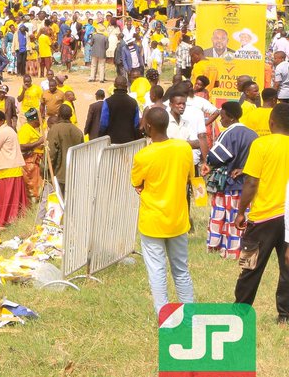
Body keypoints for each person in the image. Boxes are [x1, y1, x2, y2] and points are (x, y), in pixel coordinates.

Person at [131, 106, 196, 316]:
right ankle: (189, 314)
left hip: (153, 222)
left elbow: (137, 183)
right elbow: (189, 175)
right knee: (181, 270)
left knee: (157, 271)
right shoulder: (183, 148)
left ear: (148, 126)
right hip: (178, 220)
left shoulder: (143, 156)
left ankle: (164, 316)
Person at [232, 103, 289, 321]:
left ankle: (241, 311)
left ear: (271, 123)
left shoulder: (261, 144)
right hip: (287, 217)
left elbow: (251, 182)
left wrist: (240, 211)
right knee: (287, 268)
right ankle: (285, 315)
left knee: (250, 266)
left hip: (263, 217)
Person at [204, 101, 257, 259]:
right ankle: (238, 249)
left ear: (231, 117)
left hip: (228, 184)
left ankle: (220, 248)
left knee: (223, 218)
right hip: (246, 186)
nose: (221, 120)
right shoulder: (252, 134)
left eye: (222, 117)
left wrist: (208, 161)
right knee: (241, 219)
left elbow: (214, 157)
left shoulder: (228, 134)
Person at [0, 110, 26, 227]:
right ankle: (12, 218)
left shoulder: (2, 133)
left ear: (2, 121)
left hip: (7, 168)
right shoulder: (10, 130)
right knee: (12, 196)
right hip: (14, 166)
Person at [46, 105, 85, 194]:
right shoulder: (78, 131)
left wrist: (45, 170)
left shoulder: (55, 130)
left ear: (58, 115)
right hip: (74, 175)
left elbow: (50, 154)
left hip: (59, 175)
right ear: (71, 115)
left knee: (59, 200)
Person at [98, 75, 142, 144]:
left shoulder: (108, 102)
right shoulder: (133, 102)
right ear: (126, 86)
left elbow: (103, 124)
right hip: (129, 141)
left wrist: (100, 137)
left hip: (112, 141)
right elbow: (136, 124)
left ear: (114, 85)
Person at [17, 108, 44, 198]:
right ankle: (33, 200)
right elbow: (21, 146)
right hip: (31, 162)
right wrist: (38, 142)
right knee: (33, 183)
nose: (41, 121)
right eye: (39, 119)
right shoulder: (25, 130)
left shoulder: (33, 129)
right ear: (35, 120)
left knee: (38, 182)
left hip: (37, 160)